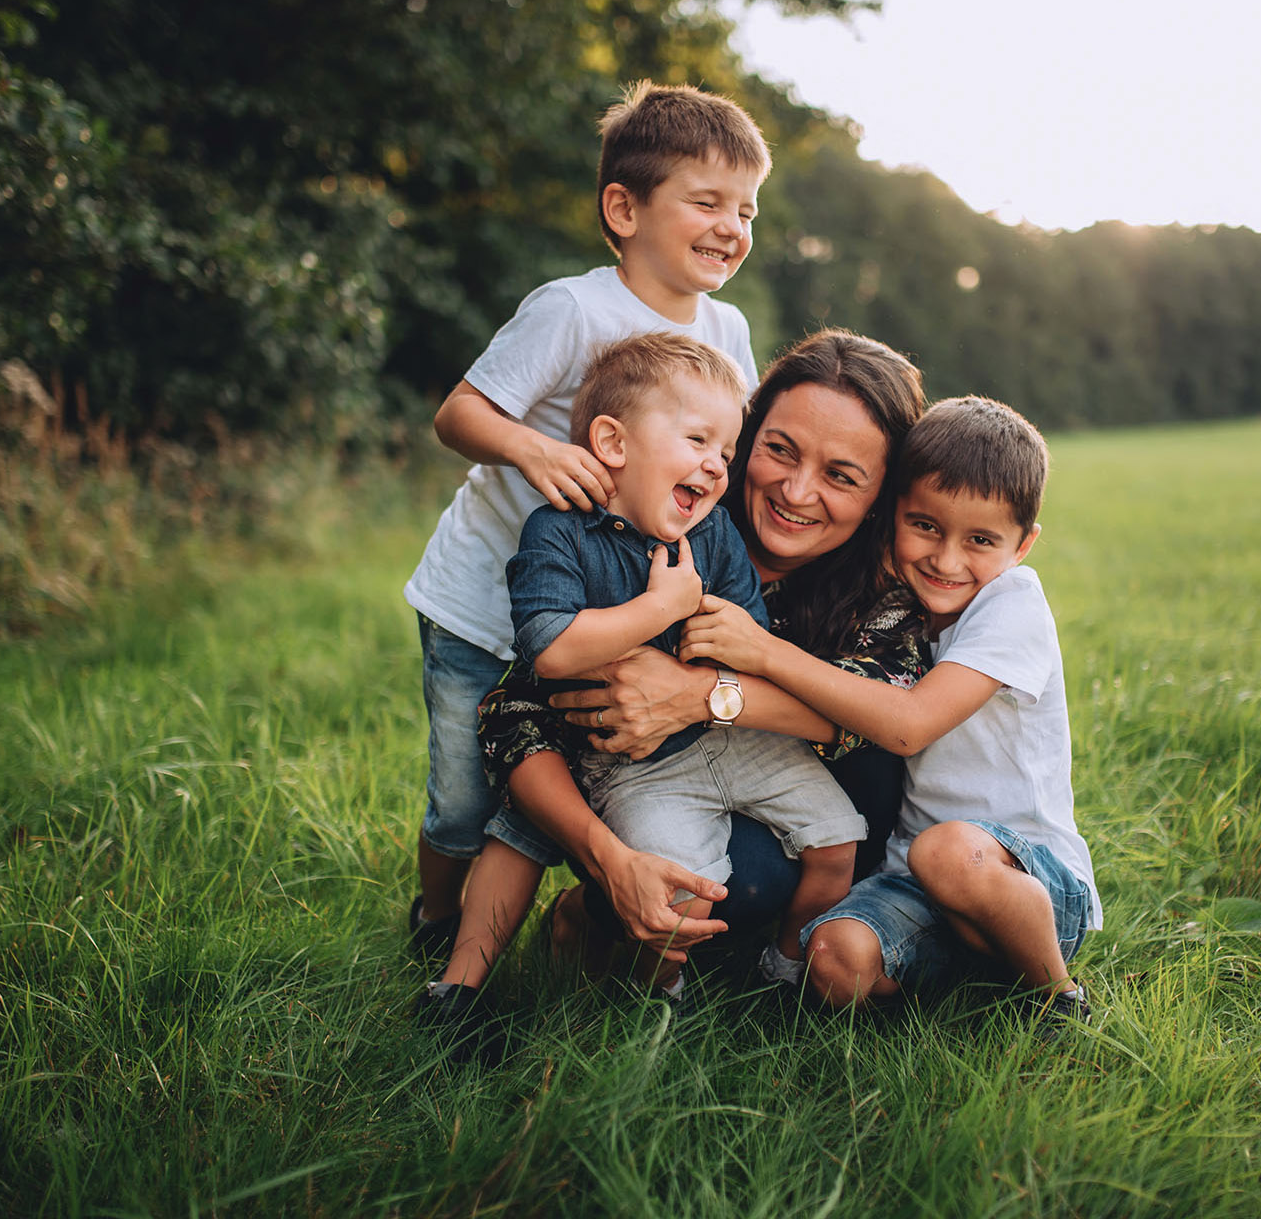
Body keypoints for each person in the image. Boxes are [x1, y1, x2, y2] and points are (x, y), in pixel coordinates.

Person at [398, 81, 770, 966]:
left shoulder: (728, 329)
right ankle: (436, 921)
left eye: (748, 210)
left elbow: (730, 456)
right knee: (462, 797)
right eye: (707, 201)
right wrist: (531, 450)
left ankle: (558, 925)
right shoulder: (572, 308)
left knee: (560, 780)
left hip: (596, 614)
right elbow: (459, 414)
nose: (732, 227)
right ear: (624, 206)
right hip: (482, 605)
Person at [466, 330, 928, 991]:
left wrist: (705, 692)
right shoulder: (663, 522)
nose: (797, 491)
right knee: (721, 875)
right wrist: (607, 859)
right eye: (778, 450)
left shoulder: (880, 589)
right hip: (643, 794)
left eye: (841, 476)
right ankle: (609, 916)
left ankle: (782, 959)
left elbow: (888, 716)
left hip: (790, 797)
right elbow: (515, 713)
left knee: (861, 789)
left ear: (881, 495)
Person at [680, 396, 1102, 1027]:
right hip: (913, 878)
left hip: (1027, 879)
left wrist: (762, 652)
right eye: (926, 526)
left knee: (950, 852)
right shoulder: (898, 607)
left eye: (981, 540)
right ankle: (960, 981)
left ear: (1024, 544)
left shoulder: (1011, 603)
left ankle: (1055, 997)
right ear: (892, 514)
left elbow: (906, 725)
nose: (947, 560)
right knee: (832, 958)